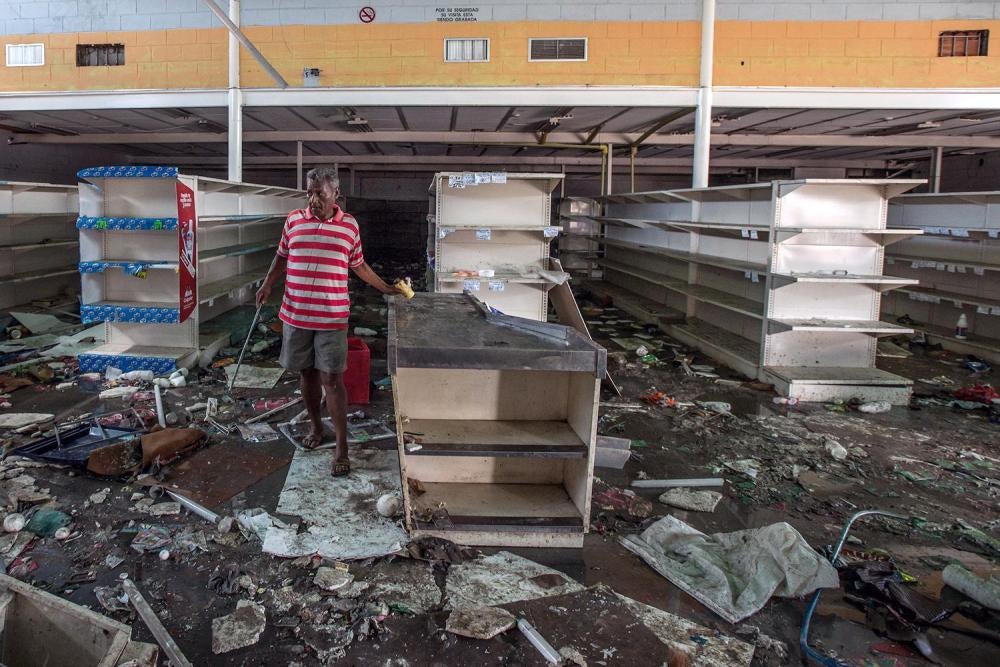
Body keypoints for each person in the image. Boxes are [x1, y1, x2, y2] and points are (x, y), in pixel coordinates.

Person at [256, 167, 400, 477]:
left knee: (332, 380)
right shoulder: (294, 219)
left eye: (319, 193)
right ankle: (316, 427)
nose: (312, 199)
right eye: (309, 192)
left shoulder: (349, 226)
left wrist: (387, 288)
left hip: (332, 316)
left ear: (336, 194)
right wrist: (268, 283)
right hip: (295, 314)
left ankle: (342, 447)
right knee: (306, 375)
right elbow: (282, 256)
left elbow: (359, 265)